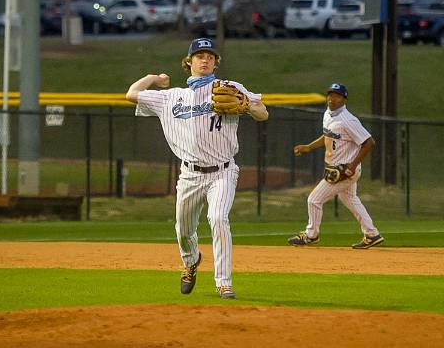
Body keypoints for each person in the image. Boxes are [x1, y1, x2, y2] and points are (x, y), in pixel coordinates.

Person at [125, 37, 269, 299]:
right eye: (200, 56)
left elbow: (263, 113)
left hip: (223, 171)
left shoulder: (229, 88)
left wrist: (248, 106)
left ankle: (223, 282)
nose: (205, 60)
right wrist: (153, 78)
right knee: (183, 229)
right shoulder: (171, 97)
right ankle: (191, 262)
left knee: (218, 218)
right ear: (189, 61)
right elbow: (131, 94)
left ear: (215, 62)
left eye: (210, 56)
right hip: (190, 174)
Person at [287, 83, 384, 249]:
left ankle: (311, 235)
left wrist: (352, 166)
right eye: (330, 95)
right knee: (350, 199)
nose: (332, 99)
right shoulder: (328, 114)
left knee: (314, 200)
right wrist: (309, 147)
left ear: (344, 99)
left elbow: (369, 142)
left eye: (337, 96)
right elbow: (327, 135)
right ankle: (372, 234)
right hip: (336, 168)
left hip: (344, 170)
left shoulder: (348, 120)